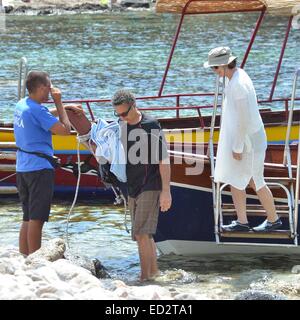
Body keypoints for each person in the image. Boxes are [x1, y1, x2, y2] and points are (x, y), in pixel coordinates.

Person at [203, 47, 282, 232]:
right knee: (235, 178)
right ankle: (242, 221)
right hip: (246, 139)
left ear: (223, 66)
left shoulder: (238, 84)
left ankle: (274, 219)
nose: (213, 72)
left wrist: (237, 147)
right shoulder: (236, 77)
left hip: (249, 141)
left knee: (255, 180)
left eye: (214, 68)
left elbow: (244, 119)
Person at [14, 70, 78, 256]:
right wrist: (59, 103)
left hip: (23, 168)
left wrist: (62, 109)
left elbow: (39, 114)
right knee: (37, 218)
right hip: (39, 169)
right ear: (41, 88)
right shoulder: (37, 110)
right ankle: (36, 261)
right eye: (49, 88)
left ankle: (24, 257)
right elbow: (65, 130)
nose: (50, 92)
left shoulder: (22, 105)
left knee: (27, 217)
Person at [112, 89, 172, 281]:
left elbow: (163, 159)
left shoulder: (151, 125)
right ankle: (153, 273)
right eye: (118, 114)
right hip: (132, 187)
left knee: (141, 233)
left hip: (151, 184)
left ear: (134, 105)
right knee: (143, 235)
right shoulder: (121, 126)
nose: (122, 117)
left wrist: (166, 192)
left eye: (124, 113)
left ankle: (144, 278)